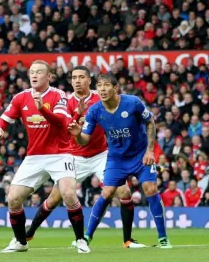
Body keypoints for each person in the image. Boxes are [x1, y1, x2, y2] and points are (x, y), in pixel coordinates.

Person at [26, 66, 145, 249]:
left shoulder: (100, 97)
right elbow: (61, 126)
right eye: (74, 78)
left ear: (89, 80)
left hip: (102, 154)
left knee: (125, 192)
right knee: (55, 198)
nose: (77, 81)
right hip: (74, 156)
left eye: (81, 77)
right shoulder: (64, 101)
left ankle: (128, 240)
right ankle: (29, 233)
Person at [0, 60, 90, 254]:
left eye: (38, 72)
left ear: (49, 77)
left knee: (69, 194)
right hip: (34, 156)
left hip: (61, 154)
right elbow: (3, 120)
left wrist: (42, 109)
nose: (34, 75)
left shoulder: (58, 95)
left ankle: (80, 240)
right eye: (31, 72)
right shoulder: (21, 97)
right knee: (13, 199)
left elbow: (61, 121)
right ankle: (21, 242)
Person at [68, 74, 172, 249]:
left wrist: (150, 150)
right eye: (99, 85)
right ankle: (86, 237)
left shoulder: (132, 102)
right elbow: (84, 140)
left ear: (115, 88)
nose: (102, 89)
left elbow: (150, 122)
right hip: (116, 158)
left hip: (140, 155)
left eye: (106, 85)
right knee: (107, 192)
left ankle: (163, 238)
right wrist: (78, 134)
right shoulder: (94, 110)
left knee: (150, 189)